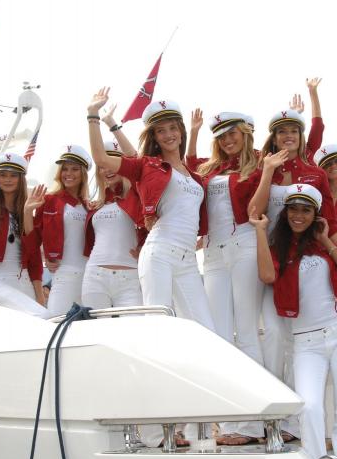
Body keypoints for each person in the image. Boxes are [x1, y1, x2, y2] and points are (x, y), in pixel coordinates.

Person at [251, 183, 337, 459]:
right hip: (306, 343)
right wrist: (260, 231)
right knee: (310, 407)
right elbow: (266, 276)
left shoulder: (322, 245)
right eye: (293, 209)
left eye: (306, 210)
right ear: (286, 212)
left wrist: (327, 240)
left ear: (315, 215)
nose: (298, 216)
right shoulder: (279, 248)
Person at [87, 87, 214, 330]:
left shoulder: (195, 177)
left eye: (173, 128)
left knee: (205, 329)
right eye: (160, 130)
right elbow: (101, 159)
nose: (168, 135)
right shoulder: (147, 166)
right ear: (154, 137)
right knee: (158, 326)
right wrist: (93, 115)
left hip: (188, 260)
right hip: (159, 253)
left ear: (181, 131)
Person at [187, 111, 265, 444]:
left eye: (233, 133)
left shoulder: (259, 163)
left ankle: (252, 425)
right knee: (219, 336)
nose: (228, 140)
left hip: (245, 245)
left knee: (247, 333)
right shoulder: (210, 169)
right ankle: (229, 421)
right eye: (221, 136)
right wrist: (193, 132)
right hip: (214, 252)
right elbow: (187, 167)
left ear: (245, 133)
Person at [0, 152, 48, 318]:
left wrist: (27, 212)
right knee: (41, 316)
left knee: (38, 318)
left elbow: (33, 255)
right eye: (3, 175)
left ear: (21, 179)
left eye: (13, 175)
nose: (7, 180)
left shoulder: (26, 208)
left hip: (23, 279)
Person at [24, 145, 92, 317]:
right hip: (64, 273)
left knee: (88, 325)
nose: (68, 173)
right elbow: (33, 240)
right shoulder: (49, 200)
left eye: (74, 169)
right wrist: (27, 212)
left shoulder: (90, 205)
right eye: (65, 169)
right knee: (55, 318)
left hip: (91, 275)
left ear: (83, 173)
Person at [82, 140, 144, 309]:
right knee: (96, 326)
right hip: (94, 275)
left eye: (113, 163)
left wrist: (144, 246)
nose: (108, 170)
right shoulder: (96, 205)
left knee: (135, 325)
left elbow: (137, 160)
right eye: (102, 166)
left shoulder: (137, 195)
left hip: (130, 276)